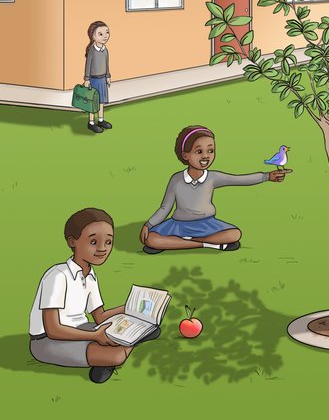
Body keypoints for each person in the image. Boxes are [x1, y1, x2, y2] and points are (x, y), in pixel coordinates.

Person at [29, 208, 160, 384]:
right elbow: (53, 329)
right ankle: (123, 348)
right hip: (47, 341)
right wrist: (95, 336)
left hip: (84, 328)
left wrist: (130, 308)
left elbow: (100, 316)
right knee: (116, 356)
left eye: (108, 242)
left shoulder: (90, 275)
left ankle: (124, 344)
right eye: (93, 241)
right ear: (72, 242)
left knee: (124, 332)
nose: (102, 249)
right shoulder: (57, 275)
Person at [140, 126, 291, 254]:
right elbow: (165, 207)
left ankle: (183, 243)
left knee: (234, 234)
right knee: (151, 239)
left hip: (207, 225)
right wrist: (149, 224)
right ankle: (206, 244)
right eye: (199, 152)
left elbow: (239, 180)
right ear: (185, 154)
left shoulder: (213, 177)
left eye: (210, 151)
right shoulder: (176, 179)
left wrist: (267, 176)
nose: (206, 156)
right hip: (179, 224)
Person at [84, 21, 112, 133]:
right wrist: (86, 79)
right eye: (100, 34)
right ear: (93, 36)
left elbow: (106, 64)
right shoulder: (92, 51)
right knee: (93, 101)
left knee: (101, 101)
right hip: (94, 80)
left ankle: (101, 120)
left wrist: (108, 76)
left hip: (102, 80)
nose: (105, 36)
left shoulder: (105, 50)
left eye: (107, 32)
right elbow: (88, 65)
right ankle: (91, 122)